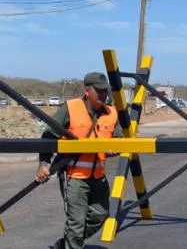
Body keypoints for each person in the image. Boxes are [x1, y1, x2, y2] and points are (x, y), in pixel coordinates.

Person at [35, 72, 122, 249]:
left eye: (105, 91)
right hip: (74, 177)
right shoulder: (70, 108)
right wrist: (44, 163)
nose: (103, 95)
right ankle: (71, 243)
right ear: (86, 91)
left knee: (101, 214)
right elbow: (48, 136)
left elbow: (119, 140)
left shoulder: (112, 113)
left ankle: (67, 243)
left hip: (99, 176)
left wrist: (116, 148)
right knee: (76, 224)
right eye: (99, 91)